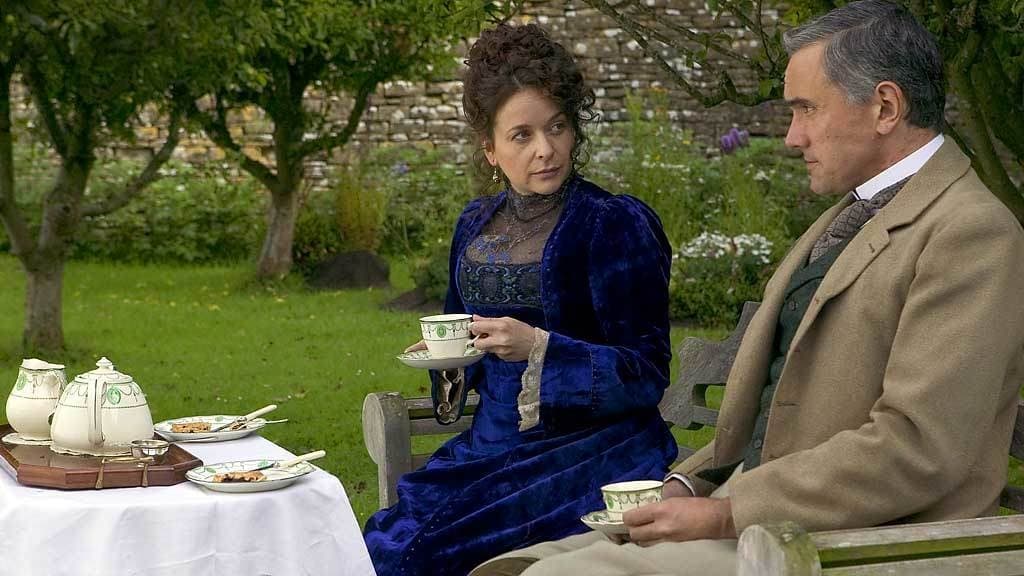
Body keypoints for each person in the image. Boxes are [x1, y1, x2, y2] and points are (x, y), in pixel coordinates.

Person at [471, 1, 1024, 575]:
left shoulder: (971, 233)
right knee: (505, 567)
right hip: (760, 513)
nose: (791, 136)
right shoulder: (858, 211)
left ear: (885, 106)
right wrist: (687, 484)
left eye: (806, 109)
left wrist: (724, 514)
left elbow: (918, 446)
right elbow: (772, 411)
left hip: (853, 546)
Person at [363, 24, 679, 576]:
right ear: (490, 149)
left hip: (588, 452)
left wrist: (540, 347)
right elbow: (462, 334)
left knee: (423, 555)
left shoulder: (612, 223)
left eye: (557, 127)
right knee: (384, 544)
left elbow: (647, 373)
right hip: (488, 447)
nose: (545, 149)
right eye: (522, 135)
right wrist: (448, 359)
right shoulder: (474, 225)